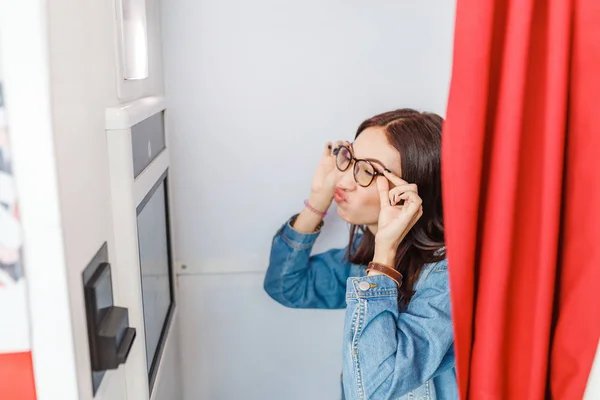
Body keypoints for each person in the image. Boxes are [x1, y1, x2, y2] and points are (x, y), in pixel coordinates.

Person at [264, 109, 457, 399]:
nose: (342, 180)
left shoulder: (446, 276)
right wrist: (318, 199)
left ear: (411, 191)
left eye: (368, 171)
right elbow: (286, 286)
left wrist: (383, 261)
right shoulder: (365, 252)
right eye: (350, 159)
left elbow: (374, 389)